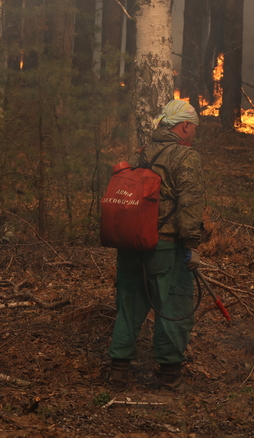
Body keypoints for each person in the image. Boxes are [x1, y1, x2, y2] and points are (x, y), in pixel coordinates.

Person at [107, 100, 205, 391]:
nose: (195, 133)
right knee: (173, 307)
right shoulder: (185, 156)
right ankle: (170, 375)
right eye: (194, 128)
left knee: (128, 306)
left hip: (131, 242)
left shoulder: (143, 152)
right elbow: (190, 202)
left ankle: (119, 372)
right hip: (165, 246)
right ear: (185, 125)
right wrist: (192, 244)